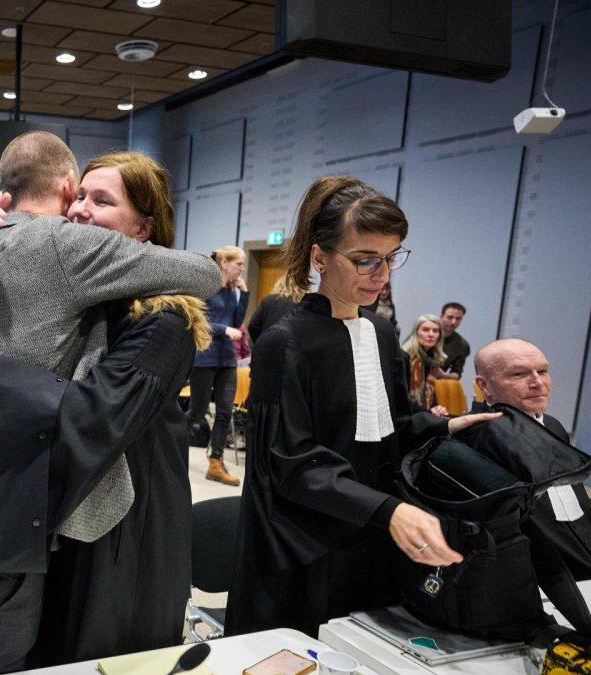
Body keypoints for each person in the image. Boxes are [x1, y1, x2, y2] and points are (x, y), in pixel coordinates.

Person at [0, 134, 221, 674]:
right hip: (59, 509)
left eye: (102, 202)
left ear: (143, 231)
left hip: (126, 524)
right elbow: (0, 290)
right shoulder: (86, 293)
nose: (79, 210)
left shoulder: (162, 321)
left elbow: (97, 414)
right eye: (79, 195)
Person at [226, 175, 500, 638]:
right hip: (300, 550)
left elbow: (390, 427)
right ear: (319, 257)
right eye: (365, 260)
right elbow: (292, 466)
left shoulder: (381, 333)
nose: (383, 274)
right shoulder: (285, 343)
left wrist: (447, 428)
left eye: (391, 258)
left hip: (369, 537)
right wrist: (388, 510)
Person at [474, 338, 591, 580]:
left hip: (586, 554)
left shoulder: (553, 425)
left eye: (543, 371)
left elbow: (571, 501)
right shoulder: (478, 438)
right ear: (485, 385)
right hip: (540, 573)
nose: (537, 382)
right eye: (518, 374)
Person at [187, 245, 249, 486]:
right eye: (239, 264)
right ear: (224, 263)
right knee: (197, 412)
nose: (242, 269)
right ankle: (170, 442)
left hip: (227, 359)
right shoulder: (206, 287)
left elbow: (238, 322)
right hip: (205, 356)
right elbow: (198, 322)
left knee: (225, 411)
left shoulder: (233, 291)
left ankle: (216, 462)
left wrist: (244, 295)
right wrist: (224, 330)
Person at [402, 314, 449, 416]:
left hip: (423, 414)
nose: (431, 334)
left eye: (435, 331)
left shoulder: (434, 361)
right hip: (406, 416)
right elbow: (401, 399)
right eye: (426, 330)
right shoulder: (404, 357)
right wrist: (429, 412)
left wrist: (437, 409)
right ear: (416, 332)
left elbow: (430, 397)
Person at [247, 273, 305, 345]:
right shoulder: (302, 306)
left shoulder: (268, 300)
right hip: (290, 350)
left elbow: (253, 326)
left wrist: (260, 342)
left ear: (280, 285)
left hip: (265, 347)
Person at [437, 301, 469, 379]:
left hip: (435, 384)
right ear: (441, 316)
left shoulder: (462, 345)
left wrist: (443, 375)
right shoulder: (424, 332)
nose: (453, 322)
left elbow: (457, 373)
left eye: (458, 319)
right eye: (450, 317)